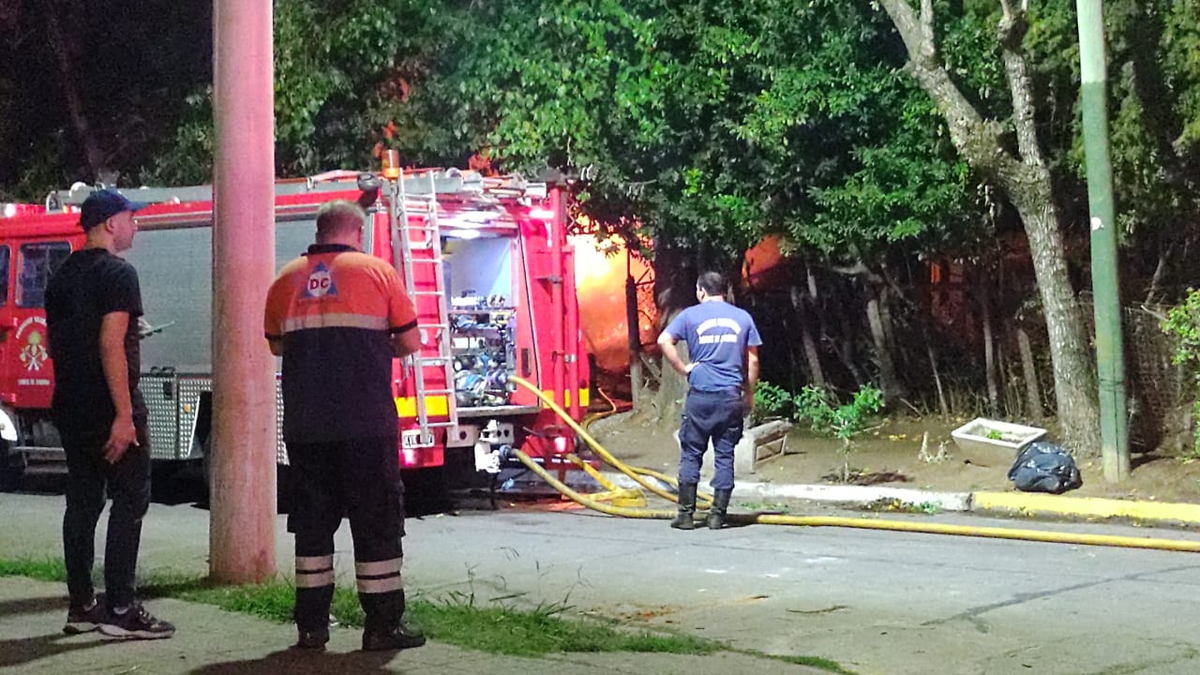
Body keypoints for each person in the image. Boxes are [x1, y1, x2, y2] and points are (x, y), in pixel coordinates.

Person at [263, 200, 426, 652]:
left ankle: (311, 628)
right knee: (376, 524)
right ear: (357, 230)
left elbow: (276, 348)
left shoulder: (284, 278)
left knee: (313, 527)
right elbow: (409, 341)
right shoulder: (376, 272)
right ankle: (382, 628)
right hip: (366, 424)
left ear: (320, 231)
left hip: (306, 427)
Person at [45, 188, 175, 639]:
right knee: (130, 500)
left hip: (71, 404)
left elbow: (61, 342)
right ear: (109, 225)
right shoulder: (119, 274)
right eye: (130, 218)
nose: (135, 225)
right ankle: (120, 606)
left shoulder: (60, 276)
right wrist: (123, 415)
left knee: (82, 502)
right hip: (110, 406)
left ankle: (81, 604)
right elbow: (110, 343)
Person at [657, 271, 761, 530]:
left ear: (701, 291)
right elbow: (753, 359)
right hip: (730, 397)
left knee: (691, 454)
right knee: (725, 456)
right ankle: (717, 515)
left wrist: (683, 368)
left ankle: (685, 515)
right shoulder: (743, 317)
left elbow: (663, 340)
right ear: (723, 291)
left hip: (701, 397)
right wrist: (749, 392)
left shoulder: (690, 315)